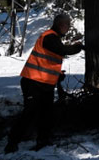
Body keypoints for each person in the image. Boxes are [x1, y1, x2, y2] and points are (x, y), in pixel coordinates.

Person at [5, 14, 83, 153]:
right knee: (29, 113)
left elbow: (48, 61)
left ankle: (43, 142)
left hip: (45, 83)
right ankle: (12, 143)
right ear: (61, 25)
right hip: (33, 82)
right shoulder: (49, 37)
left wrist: (57, 75)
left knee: (46, 114)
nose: (68, 28)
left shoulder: (54, 38)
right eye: (68, 25)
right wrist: (77, 48)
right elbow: (61, 50)